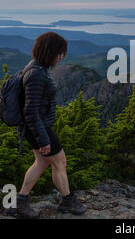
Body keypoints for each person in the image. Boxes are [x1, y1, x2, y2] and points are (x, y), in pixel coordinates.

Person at [16, 32, 87, 218]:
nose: (60, 57)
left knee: (41, 162)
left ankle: (20, 202)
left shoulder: (36, 68)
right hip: (38, 127)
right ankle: (68, 201)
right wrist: (43, 138)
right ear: (50, 51)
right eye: (59, 53)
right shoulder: (36, 74)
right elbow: (30, 111)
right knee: (59, 161)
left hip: (35, 127)